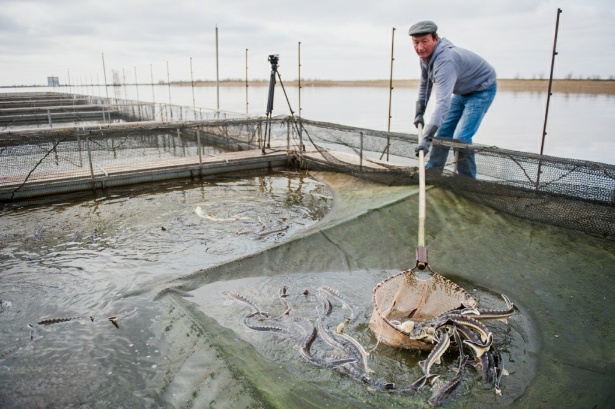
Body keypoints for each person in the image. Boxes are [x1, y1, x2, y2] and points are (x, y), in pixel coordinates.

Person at [410, 20, 497, 178]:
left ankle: (467, 181)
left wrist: (426, 138)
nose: (420, 47)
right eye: (416, 42)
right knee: (443, 132)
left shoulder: (445, 61)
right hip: (462, 91)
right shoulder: (425, 57)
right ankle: (433, 172)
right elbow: (425, 85)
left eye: (424, 41)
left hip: (482, 90)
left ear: (435, 39)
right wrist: (419, 112)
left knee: (461, 138)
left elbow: (443, 103)